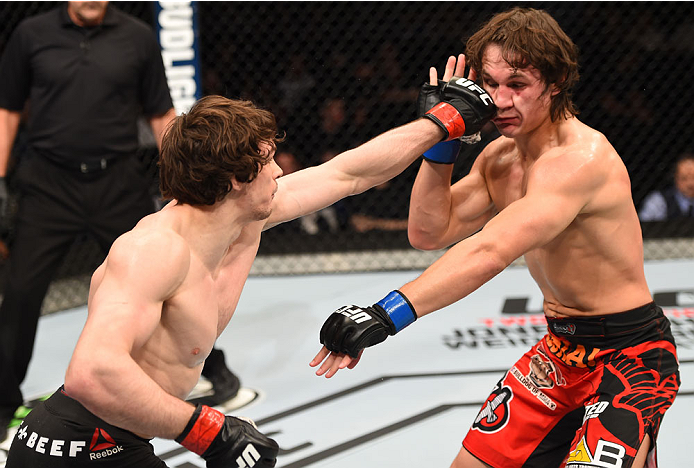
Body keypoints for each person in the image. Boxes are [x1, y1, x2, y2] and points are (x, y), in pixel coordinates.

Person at [5, 74, 494, 466]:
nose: (280, 171)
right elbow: (93, 373)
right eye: (267, 161)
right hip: (74, 444)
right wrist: (208, 430)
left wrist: (442, 122)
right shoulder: (153, 250)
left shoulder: (241, 220)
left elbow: (351, 173)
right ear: (237, 178)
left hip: (123, 440)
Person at [311, 7, 680, 468]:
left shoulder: (579, 161)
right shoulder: (500, 158)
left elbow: (491, 249)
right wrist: (441, 138)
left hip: (631, 356)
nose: (500, 100)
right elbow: (429, 231)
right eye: (489, 83)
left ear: (556, 82)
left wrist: (388, 313)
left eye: (518, 85)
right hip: (559, 353)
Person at [639, 153, 694, 221]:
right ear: (675, 178)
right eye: (684, 178)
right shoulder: (658, 202)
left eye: (693, 178)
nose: (690, 184)